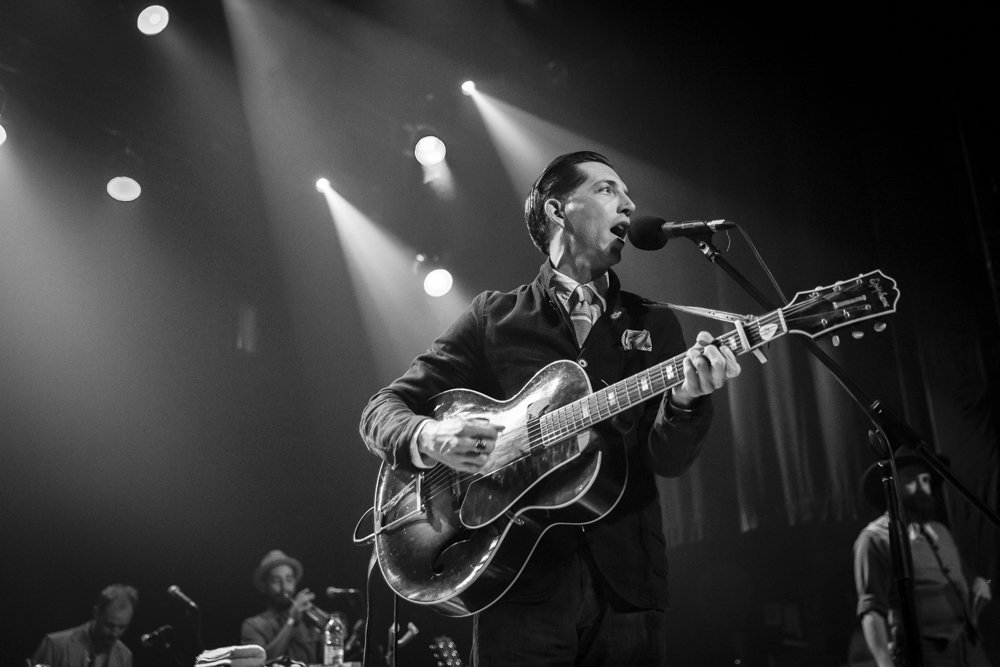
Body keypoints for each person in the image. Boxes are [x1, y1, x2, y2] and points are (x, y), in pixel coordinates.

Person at [359, 151, 741, 665]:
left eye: (627, 192)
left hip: (626, 589)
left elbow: (668, 460)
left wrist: (687, 400)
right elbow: (383, 407)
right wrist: (430, 439)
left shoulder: (656, 325)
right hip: (517, 591)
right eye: (608, 190)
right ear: (559, 211)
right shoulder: (494, 317)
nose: (629, 203)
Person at [853, 449, 994, 667]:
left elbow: (971, 576)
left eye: (926, 479)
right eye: (911, 479)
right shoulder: (874, 539)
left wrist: (985, 583)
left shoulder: (940, 531)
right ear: (891, 485)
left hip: (970, 647)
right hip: (926, 654)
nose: (923, 487)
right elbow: (871, 610)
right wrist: (884, 663)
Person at [240, 549, 326, 663]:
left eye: (289, 580)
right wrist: (291, 621)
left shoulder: (309, 622)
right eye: (276, 581)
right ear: (264, 586)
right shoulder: (252, 625)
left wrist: (330, 631)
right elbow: (262, 661)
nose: (284, 587)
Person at [32, 583, 138, 667]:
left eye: (122, 627)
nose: (115, 633)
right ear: (96, 613)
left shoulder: (124, 656)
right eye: (110, 625)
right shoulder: (55, 645)